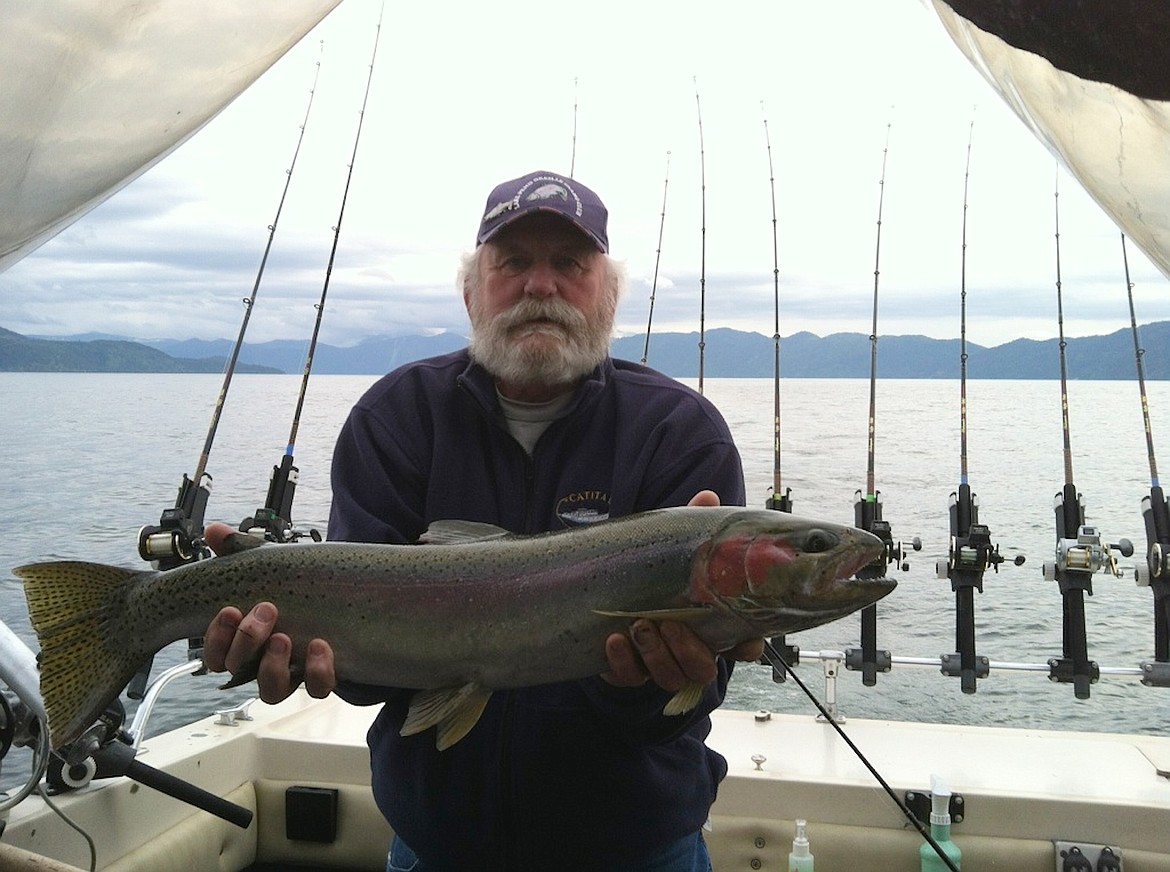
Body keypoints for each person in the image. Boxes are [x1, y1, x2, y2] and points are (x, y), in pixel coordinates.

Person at [202, 169, 762, 871]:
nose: (540, 286)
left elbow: (693, 694)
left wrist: (641, 687)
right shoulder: (396, 417)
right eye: (515, 263)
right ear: (471, 291)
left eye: (569, 264)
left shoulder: (680, 433)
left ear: (608, 297)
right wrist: (301, 654)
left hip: (637, 845)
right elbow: (371, 674)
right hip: (437, 844)